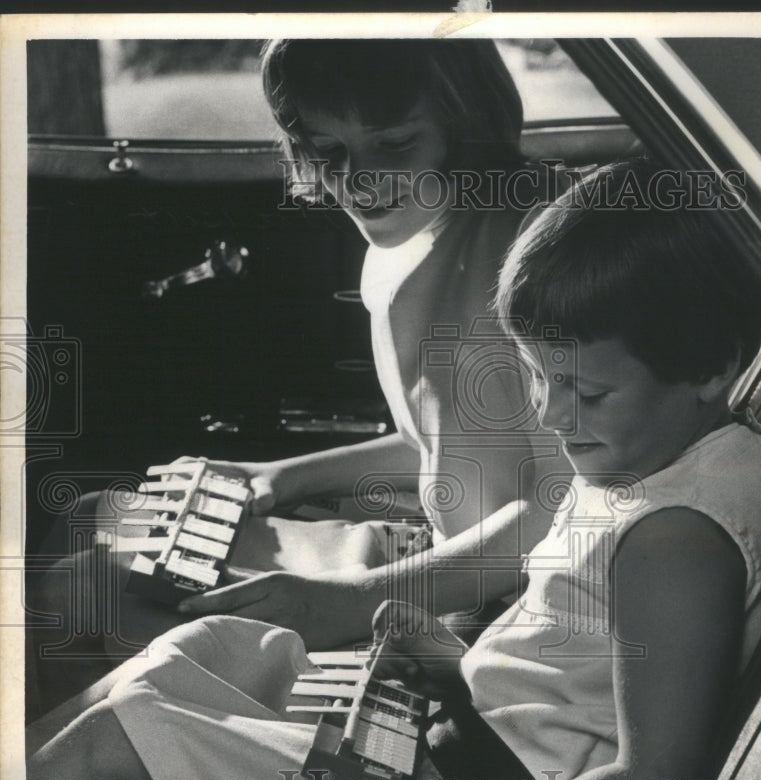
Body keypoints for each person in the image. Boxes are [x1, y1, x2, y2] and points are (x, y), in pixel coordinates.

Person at [27, 160, 761, 780]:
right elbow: (581, 693)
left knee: (131, 730)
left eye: (587, 392)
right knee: (205, 650)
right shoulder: (659, 463)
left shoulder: (677, 539)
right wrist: (453, 662)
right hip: (484, 771)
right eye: (536, 378)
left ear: (711, 368)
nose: (552, 417)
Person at [28, 39, 566, 705]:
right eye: (325, 150)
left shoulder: (539, 252)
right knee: (92, 520)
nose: (357, 180)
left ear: (467, 126)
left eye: (394, 143)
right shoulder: (414, 234)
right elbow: (435, 445)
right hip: (436, 555)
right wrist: (277, 478)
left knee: (72, 595)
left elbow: (562, 508)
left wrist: (346, 600)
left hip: (483, 612)